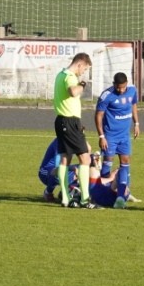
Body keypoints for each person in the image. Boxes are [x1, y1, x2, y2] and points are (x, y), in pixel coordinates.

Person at [54, 52, 95, 208]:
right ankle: (85, 199)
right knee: (85, 158)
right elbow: (72, 92)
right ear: (80, 64)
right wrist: (82, 85)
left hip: (63, 121)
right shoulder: (70, 77)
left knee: (65, 158)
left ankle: (65, 198)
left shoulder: (60, 75)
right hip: (69, 121)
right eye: (83, 69)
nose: (82, 73)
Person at [94, 72, 141, 204]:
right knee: (108, 160)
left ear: (126, 83)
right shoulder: (106, 95)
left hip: (124, 136)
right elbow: (98, 115)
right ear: (114, 84)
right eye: (118, 87)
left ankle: (123, 194)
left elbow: (133, 106)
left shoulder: (132, 91)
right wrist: (101, 136)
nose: (121, 90)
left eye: (123, 87)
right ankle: (102, 192)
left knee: (125, 162)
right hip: (110, 136)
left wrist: (136, 123)